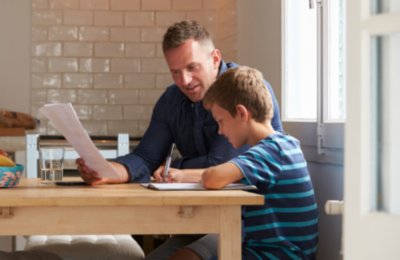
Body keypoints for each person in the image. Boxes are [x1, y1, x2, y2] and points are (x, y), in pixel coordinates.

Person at [76, 20, 283, 185]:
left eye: (192, 67)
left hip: (251, 221)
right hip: (200, 213)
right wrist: (107, 171)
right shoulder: (171, 99)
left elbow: (220, 164)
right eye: (175, 72)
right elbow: (147, 157)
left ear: (215, 59)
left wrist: (174, 167)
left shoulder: (243, 90)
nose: (184, 81)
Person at [160, 66, 319, 259]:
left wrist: (188, 174)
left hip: (276, 255)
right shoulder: (282, 145)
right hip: (264, 247)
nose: (220, 130)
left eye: (221, 121)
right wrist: (183, 175)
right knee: (186, 255)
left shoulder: (271, 151)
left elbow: (213, 178)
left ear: (241, 113)